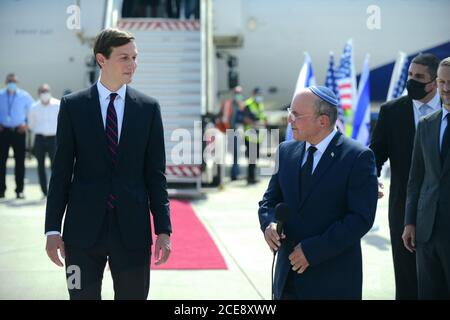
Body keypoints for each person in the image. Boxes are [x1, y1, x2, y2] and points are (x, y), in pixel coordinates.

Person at [45, 28, 172, 300]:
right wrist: (53, 229)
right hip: (80, 236)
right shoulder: (73, 106)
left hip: (133, 234)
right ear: (101, 59)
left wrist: (163, 229)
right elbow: (61, 172)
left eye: (135, 57)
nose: (132, 64)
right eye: (124, 58)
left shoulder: (148, 109)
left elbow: (155, 175)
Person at [258, 86, 378, 299]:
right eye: (289, 112)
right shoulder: (286, 151)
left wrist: (313, 251)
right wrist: (269, 225)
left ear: (322, 121)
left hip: (332, 281)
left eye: (296, 115)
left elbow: (360, 219)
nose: (289, 120)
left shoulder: (357, 157)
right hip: (287, 281)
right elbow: (270, 200)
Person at [370, 53, 441, 300]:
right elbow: (376, 153)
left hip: (443, 209)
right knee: (407, 278)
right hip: (403, 208)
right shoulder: (392, 112)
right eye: (410, 75)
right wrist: (370, 178)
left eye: (419, 77)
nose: (412, 81)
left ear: (434, 81)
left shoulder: (447, 108)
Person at [403, 57, 450, 299]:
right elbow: (415, 179)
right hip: (426, 231)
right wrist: (410, 222)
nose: (446, 88)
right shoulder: (426, 124)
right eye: (442, 82)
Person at [0, 73, 33, 199]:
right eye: (9, 81)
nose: (11, 84)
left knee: (20, 162)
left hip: (19, 132)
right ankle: (1, 190)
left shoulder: (24, 96)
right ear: (5, 82)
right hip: (3, 131)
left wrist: (27, 124)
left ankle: (19, 190)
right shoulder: (1, 95)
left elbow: (33, 111)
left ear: (17, 83)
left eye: (13, 81)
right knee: (1, 161)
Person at [28, 84, 60, 198]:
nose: (45, 93)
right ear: (38, 93)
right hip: (40, 139)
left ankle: (54, 189)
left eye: (46, 91)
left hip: (53, 138)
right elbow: (31, 124)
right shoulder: (34, 107)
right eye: (42, 91)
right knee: (40, 166)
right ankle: (44, 191)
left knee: (55, 166)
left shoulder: (58, 104)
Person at [216, 85, 244, 180]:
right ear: (233, 94)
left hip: (237, 131)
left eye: (239, 93)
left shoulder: (241, 105)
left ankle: (234, 173)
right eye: (236, 93)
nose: (238, 95)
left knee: (236, 153)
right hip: (227, 131)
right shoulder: (228, 104)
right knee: (228, 152)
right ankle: (227, 174)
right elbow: (220, 115)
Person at [243, 87, 267, 184]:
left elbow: (262, 117)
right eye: (258, 94)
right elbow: (245, 118)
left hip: (258, 136)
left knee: (255, 157)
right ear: (254, 94)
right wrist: (255, 123)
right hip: (251, 135)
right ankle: (250, 178)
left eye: (261, 94)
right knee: (251, 157)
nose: (260, 96)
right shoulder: (248, 104)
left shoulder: (260, 104)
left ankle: (252, 177)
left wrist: (264, 121)